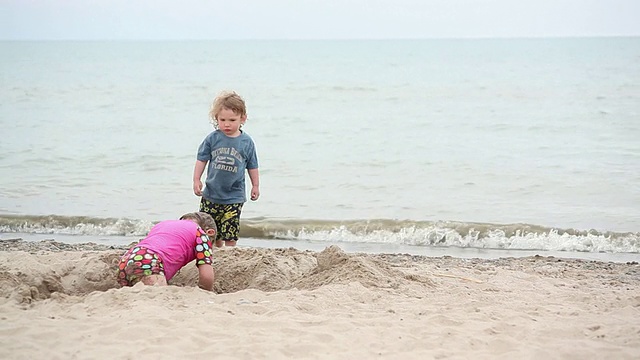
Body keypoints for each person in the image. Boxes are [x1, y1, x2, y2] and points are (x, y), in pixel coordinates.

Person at [192, 90, 260, 248]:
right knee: (209, 228)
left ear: (243, 118)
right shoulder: (212, 138)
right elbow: (202, 159)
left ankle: (230, 251)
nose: (227, 124)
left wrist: (255, 185)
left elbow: (252, 165)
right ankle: (216, 249)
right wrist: (197, 179)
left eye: (232, 120)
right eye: (222, 120)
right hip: (211, 193)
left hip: (234, 195)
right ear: (216, 118)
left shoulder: (246, 142)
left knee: (230, 228)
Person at [117, 212, 217, 291]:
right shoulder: (201, 234)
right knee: (158, 298)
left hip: (126, 259)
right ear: (210, 232)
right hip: (148, 260)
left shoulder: (162, 225)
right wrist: (205, 293)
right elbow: (206, 276)